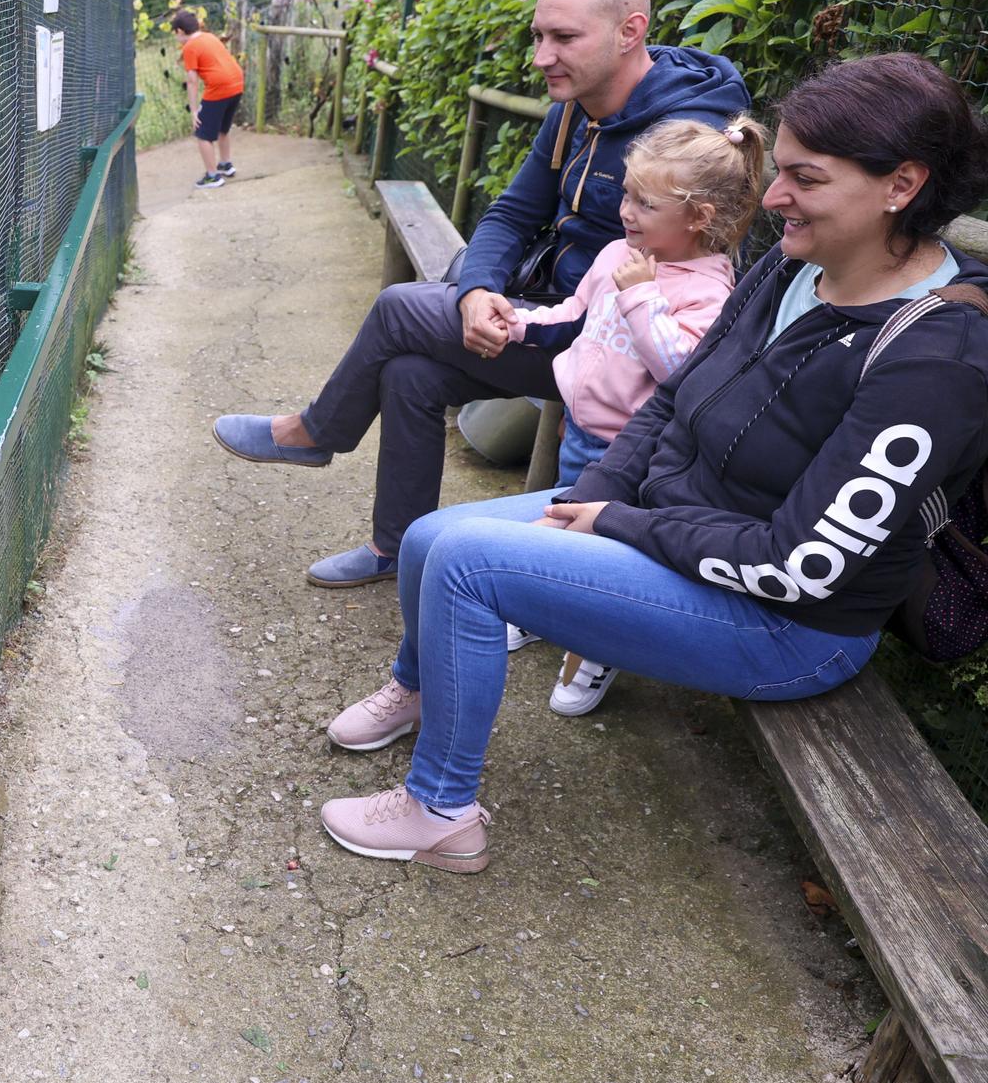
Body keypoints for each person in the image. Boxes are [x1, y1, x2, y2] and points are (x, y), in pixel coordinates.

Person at [314, 53, 988, 873]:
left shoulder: (935, 356)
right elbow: (673, 398)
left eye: (804, 180)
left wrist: (619, 522)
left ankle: (441, 811)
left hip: (786, 622)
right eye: (779, 173)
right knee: (426, 536)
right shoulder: (792, 266)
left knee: (463, 565)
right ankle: (427, 690)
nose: (773, 200)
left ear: (901, 184)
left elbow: (801, 565)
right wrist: (593, 494)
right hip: (678, 531)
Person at [211, 0, 750, 587]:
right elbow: (510, 215)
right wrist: (477, 292)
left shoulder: (690, 134)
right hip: (550, 313)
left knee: (400, 307)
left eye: (564, 38)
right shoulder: (572, 111)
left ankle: (316, 430)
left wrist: (510, 307)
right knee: (412, 373)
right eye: (538, 36)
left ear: (630, 32)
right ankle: (395, 549)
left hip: (617, 344)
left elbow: (687, 271)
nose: (542, 57)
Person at [498, 114, 762, 716]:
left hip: (636, 453)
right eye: (626, 193)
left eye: (645, 202)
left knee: (612, 553)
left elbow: (680, 374)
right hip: (580, 428)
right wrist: (517, 323)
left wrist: (643, 295)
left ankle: (599, 648)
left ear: (697, 217)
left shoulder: (708, 289)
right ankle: (543, 607)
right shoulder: (618, 251)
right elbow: (573, 312)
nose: (627, 211)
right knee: (562, 521)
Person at [172, 10, 244, 189]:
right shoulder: (210, 36)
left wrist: (194, 110)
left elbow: (192, 80)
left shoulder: (189, 46)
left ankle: (212, 176)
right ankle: (225, 164)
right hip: (237, 84)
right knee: (222, 129)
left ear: (180, 31)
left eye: (175, 34)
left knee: (202, 133)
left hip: (219, 88)